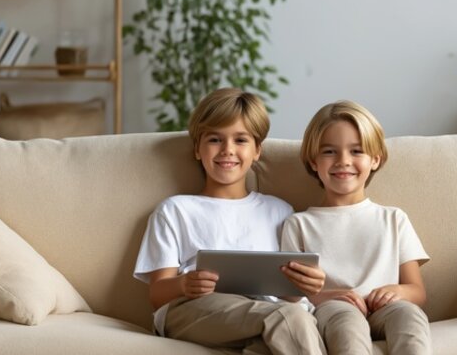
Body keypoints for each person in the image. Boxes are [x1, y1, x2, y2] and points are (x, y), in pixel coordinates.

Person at [133, 88, 327, 355]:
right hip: (192, 309)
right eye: (215, 139)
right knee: (289, 318)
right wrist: (183, 284)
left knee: (282, 330)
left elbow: (289, 295)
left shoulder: (280, 211)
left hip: (265, 313)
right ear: (197, 150)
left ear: (257, 150)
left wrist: (305, 286)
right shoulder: (175, 210)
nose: (227, 150)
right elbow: (157, 294)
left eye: (240, 140)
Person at [281, 100, 432, 355]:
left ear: (375, 159)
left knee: (410, 315)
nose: (343, 161)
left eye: (356, 151)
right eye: (329, 152)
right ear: (313, 161)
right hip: (334, 309)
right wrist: (328, 296)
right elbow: (291, 295)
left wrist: (396, 291)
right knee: (348, 324)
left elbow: (417, 291)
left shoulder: (394, 219)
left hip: (387, 309)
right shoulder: (298, 224)